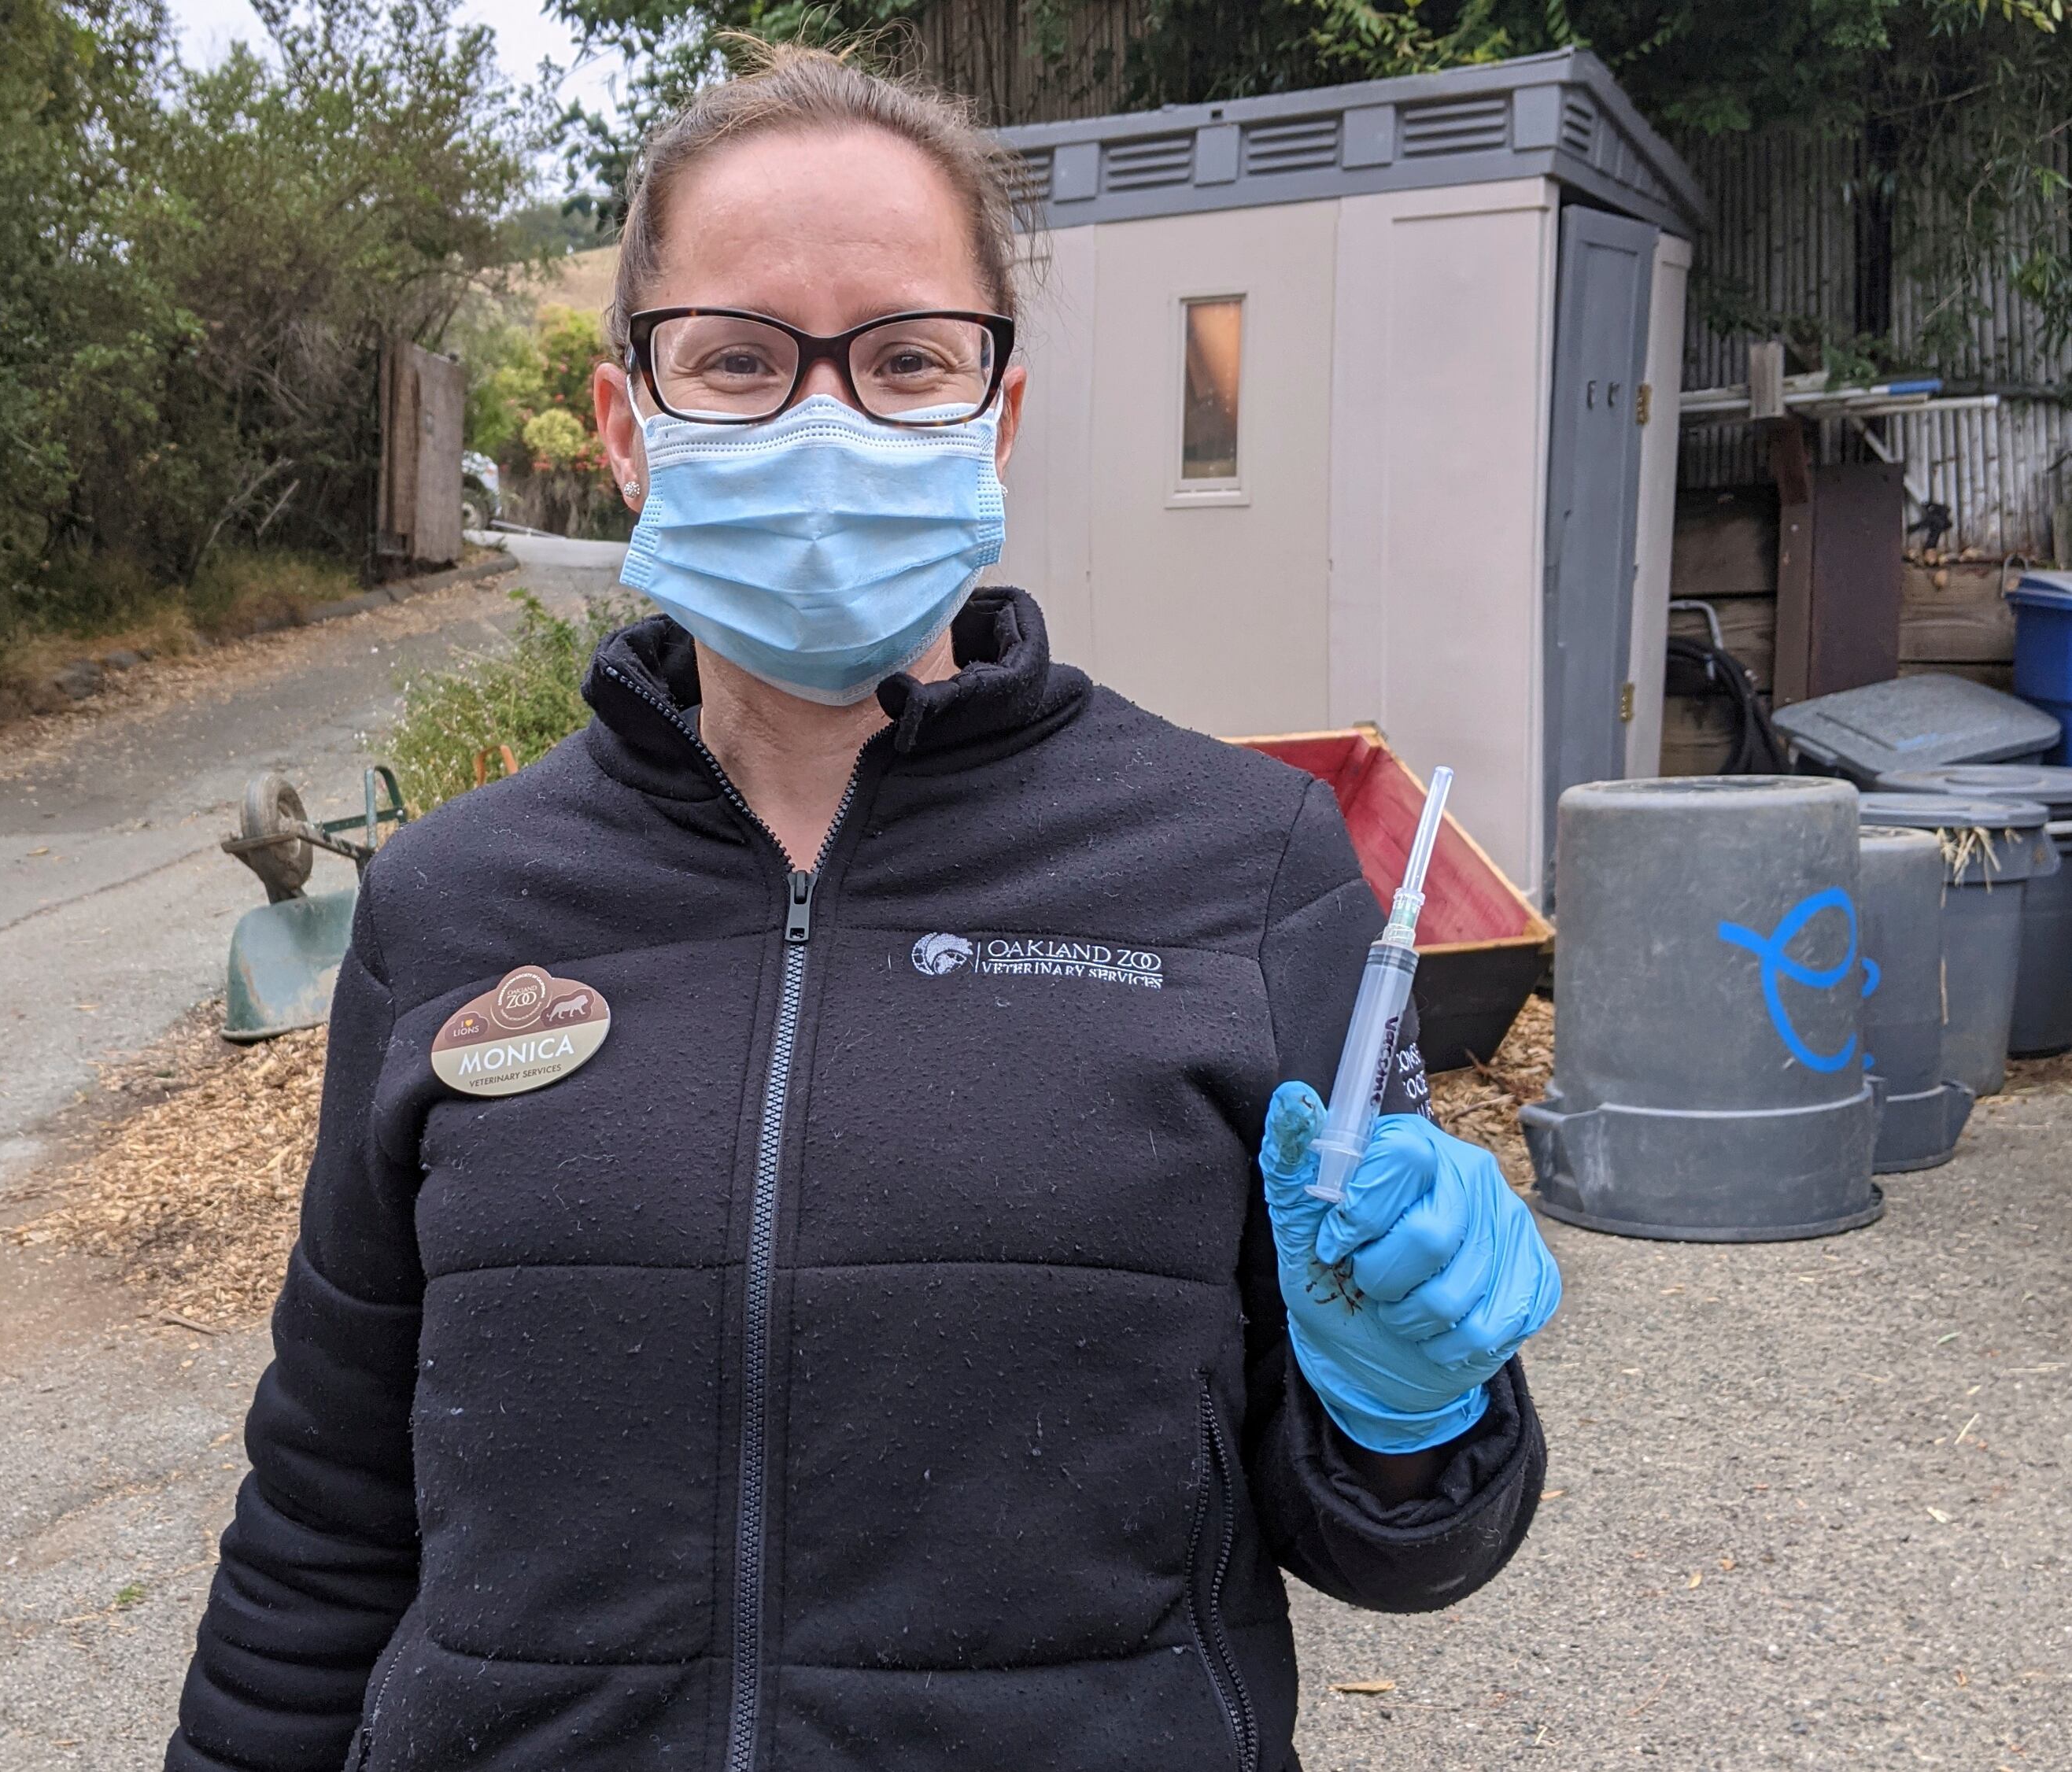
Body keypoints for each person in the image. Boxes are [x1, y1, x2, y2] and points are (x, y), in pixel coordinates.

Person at [167, 42, 1559, 1772]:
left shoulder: (1241, 866)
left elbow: (1387, 1538)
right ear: (627, 426)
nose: (824, 418)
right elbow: (325, 1506)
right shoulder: (454, 903)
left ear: (1001, 413)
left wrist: (1418, 1410)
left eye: (906, 358)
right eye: (736, 359)